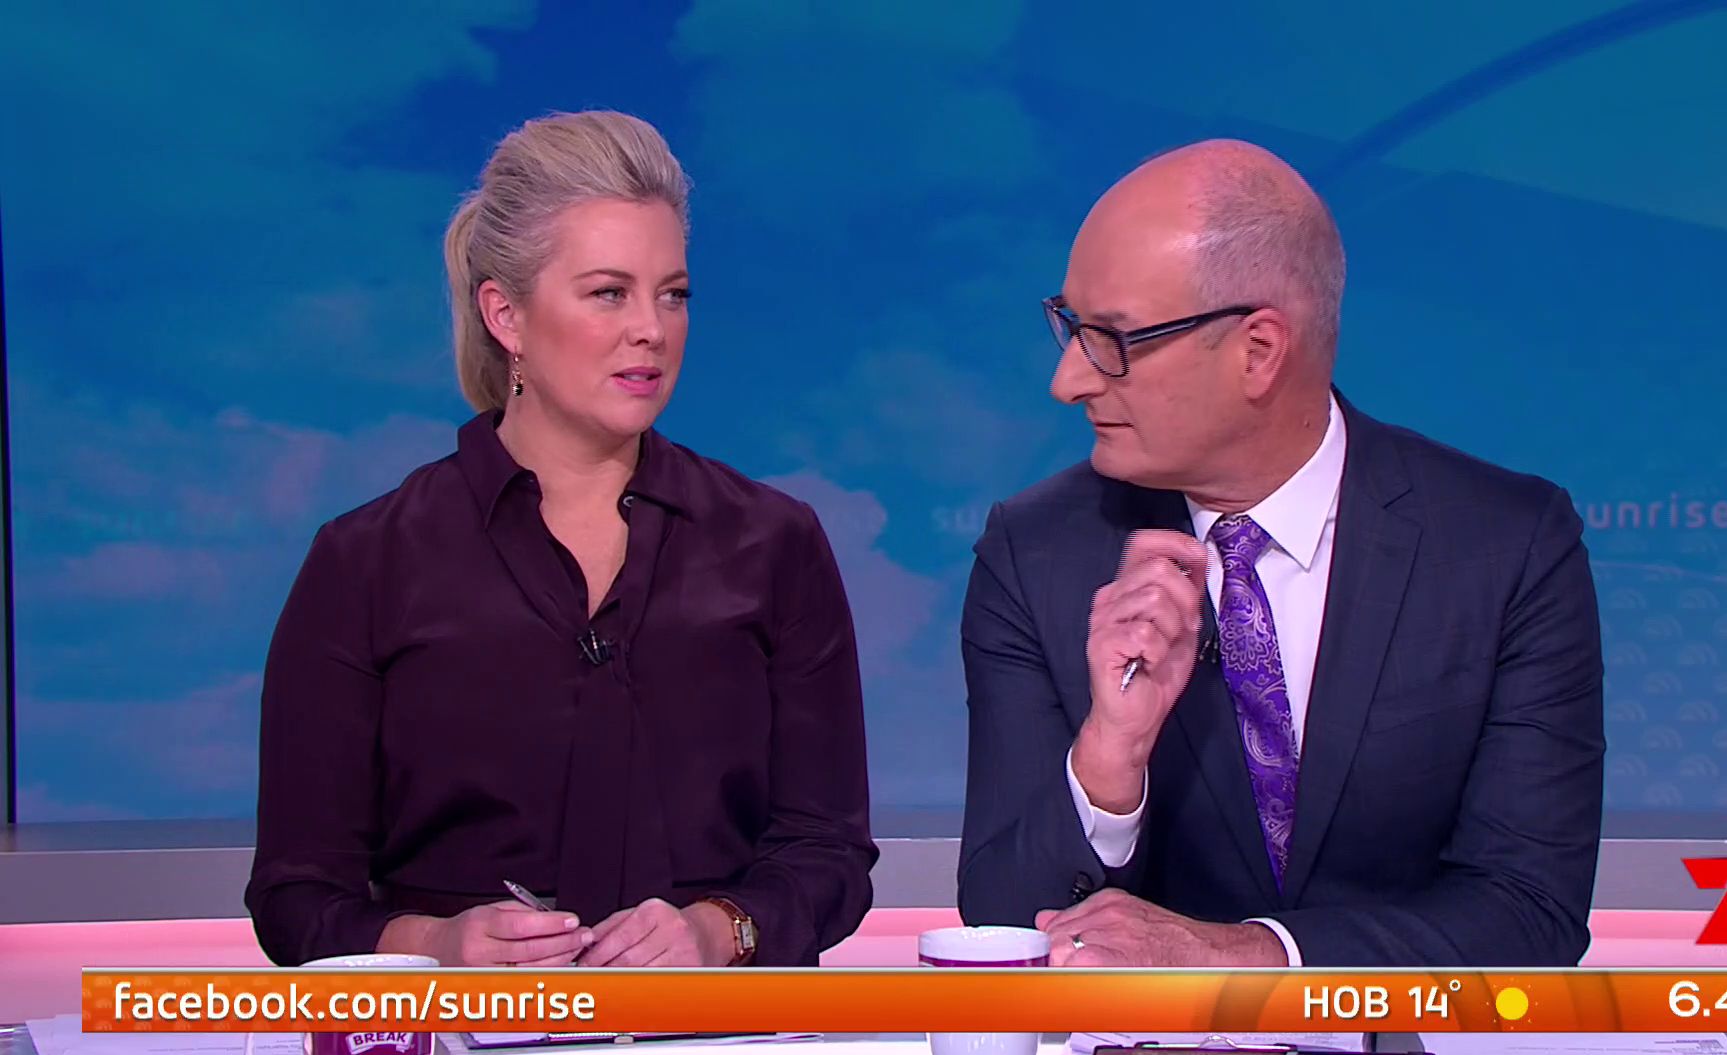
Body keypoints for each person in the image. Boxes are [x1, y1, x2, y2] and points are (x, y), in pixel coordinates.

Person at [246, 111, 877, 968]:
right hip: (463, 1036)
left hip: (715, 1032)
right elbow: (295, 898)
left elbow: (827, 853)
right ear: (506, 315)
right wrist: (437, 948)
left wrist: (716, 929)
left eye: (673, 294)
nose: (652, 328)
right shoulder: (366, 561)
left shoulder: (773, 543)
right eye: (610, 293)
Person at [957, 140, 1604, 968]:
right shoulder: (1034, 556)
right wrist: (1108, 763)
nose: (1069, 381)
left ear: (1258, 351)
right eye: (1070, 327)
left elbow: (1531, 912)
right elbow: (1004, 925)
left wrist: (1252, 957)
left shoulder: (1505, 547)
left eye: (1112, 339)